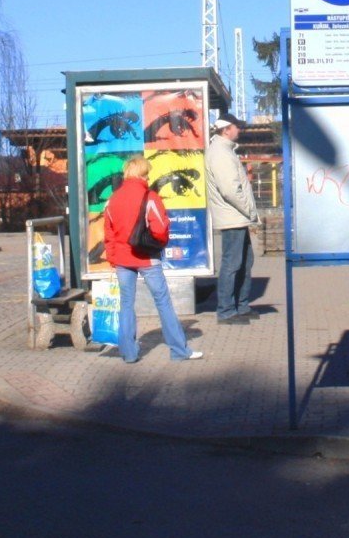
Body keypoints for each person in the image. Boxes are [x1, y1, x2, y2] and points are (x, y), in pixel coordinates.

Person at [103, 155, 202, 362]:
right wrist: (160, 242)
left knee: (126, 304)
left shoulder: (113, 199)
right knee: (163, 302)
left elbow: (109, 234)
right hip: (147, 257)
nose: (148, 177)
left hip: (122, 259)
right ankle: (179, 350)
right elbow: (160, 228)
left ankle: (129, 354)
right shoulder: (150, 197)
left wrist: (114, 258)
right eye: (147, 173)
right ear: (142, 174)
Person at [205, 113, 259, 324]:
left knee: (245, 261)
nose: (240, 130)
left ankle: (241, 306)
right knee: (233, 263)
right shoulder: (220, 153)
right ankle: (226, 310)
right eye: (237, 126)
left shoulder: (225, 150)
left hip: (236, 216)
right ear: (226, 129)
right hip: (233, 216)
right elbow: (230, 190)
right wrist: (248, 209)